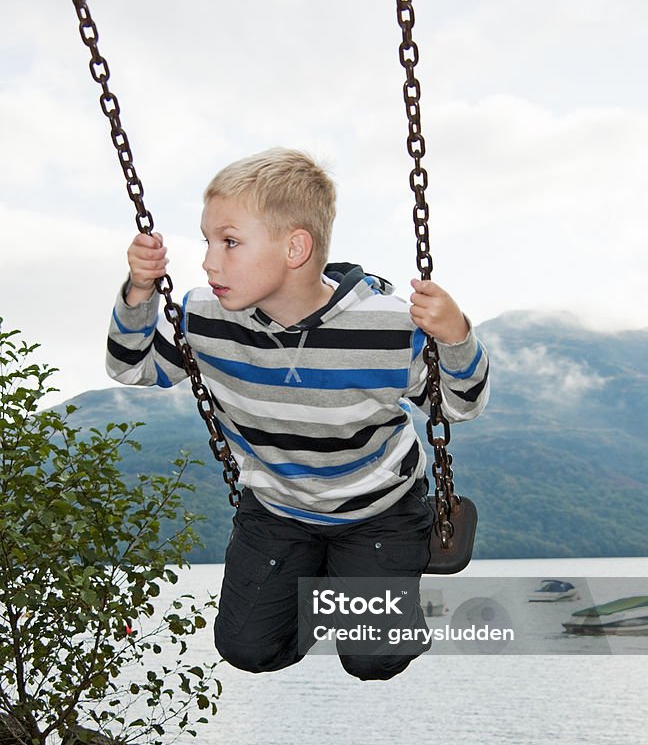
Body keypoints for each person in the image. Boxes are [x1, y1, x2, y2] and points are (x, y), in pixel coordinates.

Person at [106, 147, 489, 681]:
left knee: (373, 661)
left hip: (378, 508)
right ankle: (335, 585)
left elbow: (456, 406)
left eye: (230, 242)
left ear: (295, 248)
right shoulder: (205, 317)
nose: (209, 261)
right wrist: (139, 292)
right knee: (248, 651)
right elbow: (132, 367)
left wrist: (456, 338)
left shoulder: (386, 327)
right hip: (277, 509)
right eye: (207, 241)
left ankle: (370, 592)